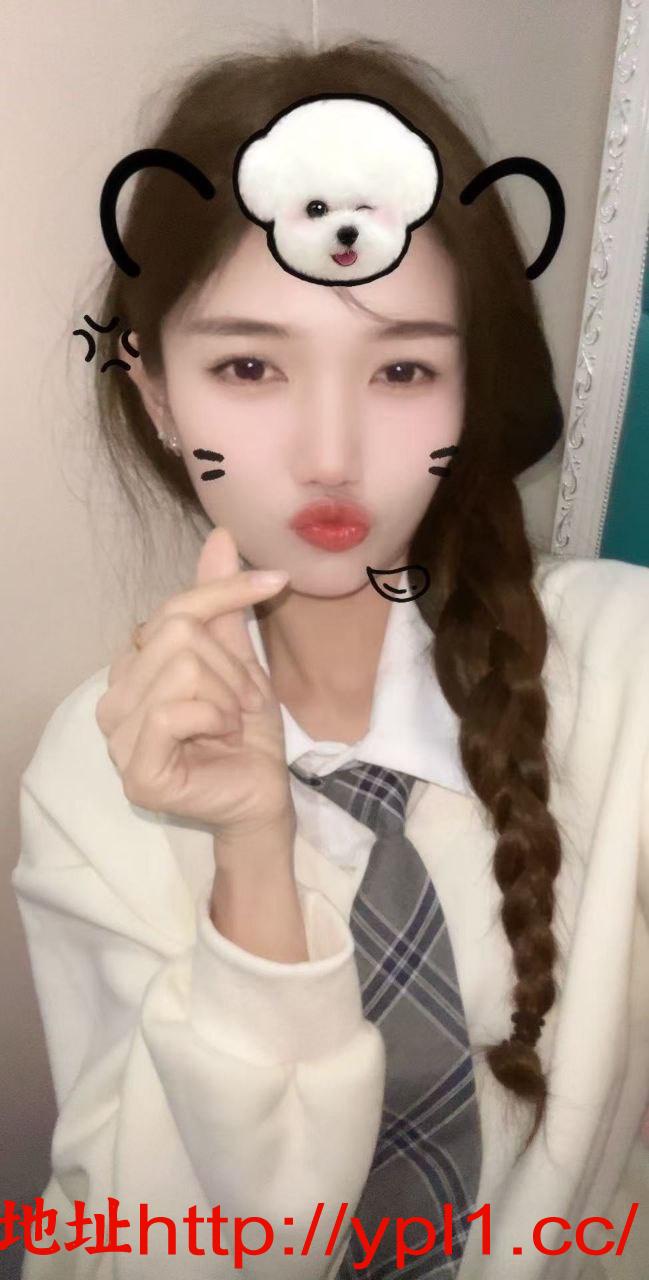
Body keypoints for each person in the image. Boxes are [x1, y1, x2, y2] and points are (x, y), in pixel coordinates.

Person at [12, 35, 649, 1280]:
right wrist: (252, 864)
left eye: (402, 366)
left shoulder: (624, 667)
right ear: (158, 393)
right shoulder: (95, 772)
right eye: (250, 364)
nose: (330, 451)